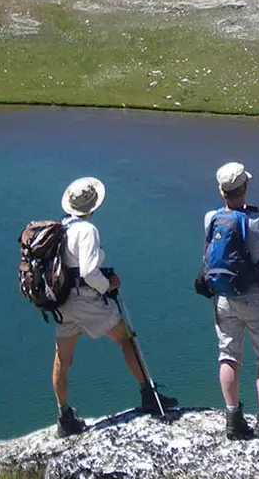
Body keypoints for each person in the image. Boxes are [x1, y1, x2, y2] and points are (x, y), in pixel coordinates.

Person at [49, 176, 169, 436]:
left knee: (63, 357)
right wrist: (108, 285)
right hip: (85, 300)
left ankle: (64, 416)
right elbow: (90, 272)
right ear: (92, 206)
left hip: (62, 302)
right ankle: (149, 395)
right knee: (126, 339)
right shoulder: (87, 230)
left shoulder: (61, 227)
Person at [201, 161, 259, 441]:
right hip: (253, 296)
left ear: (221, 190)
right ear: (245, 188)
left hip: (223, 297)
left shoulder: (210, 218)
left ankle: (233, 419)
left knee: (228, 354)